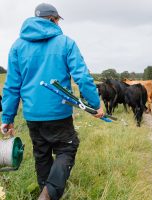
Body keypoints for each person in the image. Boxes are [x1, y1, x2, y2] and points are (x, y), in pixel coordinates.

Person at [1, 3, 104, 200]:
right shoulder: (65, 43)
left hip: (32, 115)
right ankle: (48, 194)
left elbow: (12, 86)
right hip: (59, 112)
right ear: (53, 19)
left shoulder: (17, 46)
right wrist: (95, 104)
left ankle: (45, 191)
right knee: (67, 147)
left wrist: (7, 117)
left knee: (42, 155)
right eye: (57, 20)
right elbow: (82, 77)